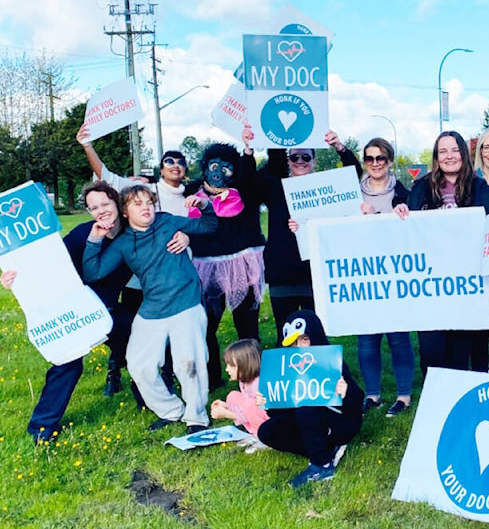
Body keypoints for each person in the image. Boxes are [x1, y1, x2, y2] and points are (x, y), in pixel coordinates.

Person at [0, 182, 133, 442]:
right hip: (77, 311)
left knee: (137, 348)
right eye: (94, 207)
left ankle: (148, 402)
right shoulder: (81, 234)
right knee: (67, 364)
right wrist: (14, 278)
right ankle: (41, 428)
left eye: (105, 204)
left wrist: (183, 236)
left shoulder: (133, 232)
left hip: (110, 309)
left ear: (117, 203)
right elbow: (47, 262)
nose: (101, 211)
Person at [83, 185, 217, 433]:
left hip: (186, 301)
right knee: (138, 365)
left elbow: (209, 227)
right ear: (125, 212)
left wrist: (205, 207)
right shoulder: (123, 243)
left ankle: (196, 418)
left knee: (189, 363)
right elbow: (94, 272)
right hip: (153, 308)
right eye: (137, 203)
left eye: (149, 202)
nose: (146, 207)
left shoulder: (167, 222)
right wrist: (95, 239)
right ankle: (171, 411)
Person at [76, 124, 189, 397]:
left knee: (166, 333)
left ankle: (164, 377)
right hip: (133, 284)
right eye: (133, 186)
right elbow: (104, 175)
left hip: (161, 280)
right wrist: (87, 146)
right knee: (130, 333)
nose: (140, 194)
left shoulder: (159, 199)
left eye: (144, 186)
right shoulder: (125, 210)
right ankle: (115, 371)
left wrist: (186, 237)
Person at [244, 127, 361, 347]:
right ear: (288, 161)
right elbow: (248, 183)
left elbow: (353, 176)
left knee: (314, 336)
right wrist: (249, 150)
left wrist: (339, 147)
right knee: (285, 336)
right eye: (294, 157)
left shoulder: (326, 190)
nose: (300, 160)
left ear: (314, 161)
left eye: (306, 156)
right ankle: (288, 380)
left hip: (313, 274)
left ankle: (318, 379)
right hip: (282, 274)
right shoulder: (276, 186)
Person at [394, 130, 489, 380]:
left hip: (466, 284)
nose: (449, 156)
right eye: (443, 151)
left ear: (463, 153)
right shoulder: (422, 188)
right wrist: (401, 209)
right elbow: (408, 229)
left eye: (454, 150)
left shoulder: (480, 188)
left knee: (461, 349)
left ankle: (456, 400)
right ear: (436, 157)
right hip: (431, 285)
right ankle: (433, 399)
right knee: (431, 348)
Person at [190, 142, 266, 391]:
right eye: (214, 166)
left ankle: (253, 379)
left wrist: (247, 153)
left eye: (226, 168)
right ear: (204, 167)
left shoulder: (243, 190)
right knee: (206, 326)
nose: (219, 172)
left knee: (247, 326)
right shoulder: (191, 192)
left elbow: (254, 174)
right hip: (207, 268)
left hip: (242, 265)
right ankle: (211, 378)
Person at [257, 310, 363, 486]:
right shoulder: (285, 368)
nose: (299, 346)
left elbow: (356, 404)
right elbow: (280, 413)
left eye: (304, 339)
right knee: (267, 432)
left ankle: (322, 465)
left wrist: (346, 391)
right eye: (293, 342)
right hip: (308, 421)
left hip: (338, 421)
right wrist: (268, 402)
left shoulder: (330, 362)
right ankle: (326, 449)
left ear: (315, 335)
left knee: (306, 410)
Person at [356, 138, 415, 417]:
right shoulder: (352, 194)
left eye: (381, 158)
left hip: (395, 275)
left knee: (398, 338)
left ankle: (403, 395)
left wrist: (404, 214)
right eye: (370, 158)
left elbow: (415, 230)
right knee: (367, 340)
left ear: (390, 161)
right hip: (361, 275)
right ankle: (373, 394)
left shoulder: (405, 192)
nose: (375, 163)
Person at [209, 338, 269, 453]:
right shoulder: (244, 381)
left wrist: (226, 414)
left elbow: (251, 410)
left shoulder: (258, 385)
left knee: (250, 404)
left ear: (245, 365)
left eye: (231, 366)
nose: (227, 369)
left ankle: (264, 438)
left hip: (269, 423)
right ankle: (255, 433)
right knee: (233, 396)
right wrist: (226, 405)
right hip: (255, 412)